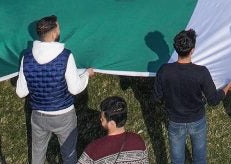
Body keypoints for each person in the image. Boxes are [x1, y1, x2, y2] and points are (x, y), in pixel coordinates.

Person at [15, 15, 93, 164]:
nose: (60, 30)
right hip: (63, 116)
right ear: (53, 33)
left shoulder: (27, 58)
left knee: (37, 155)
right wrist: (86, 75)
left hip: (38, 116)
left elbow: (21, 92)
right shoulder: (65, 56)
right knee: (68, 154)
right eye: (58, 27)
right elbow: (75, 88)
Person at [154, 29, 231, 164]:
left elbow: (157, 98)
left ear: (175, 48)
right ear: (192, 50)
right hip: (197, 121)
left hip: (175, 121)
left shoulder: (164, 71)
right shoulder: (201, 72)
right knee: (200, 160)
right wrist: (227, 87)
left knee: (177, 161)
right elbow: (213, 100)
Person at [79, 96, 148, 164]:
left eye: (102, 118)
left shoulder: (94, 149)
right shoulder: (138, 141)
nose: (100, 119)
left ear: (112, 123)